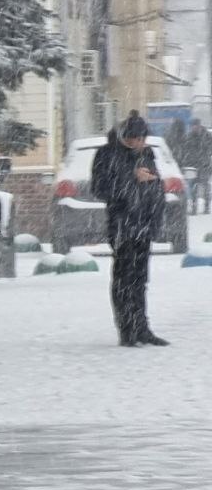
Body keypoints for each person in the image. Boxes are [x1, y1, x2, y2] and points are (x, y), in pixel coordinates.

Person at [90, 112, 169, 347]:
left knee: (140, 278)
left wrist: (155, 215)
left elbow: (156, 186)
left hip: (143, 224)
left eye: (142, 139)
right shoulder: (107, 154)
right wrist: (132, 179)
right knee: (124, 279)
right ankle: (126, 330)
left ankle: (142, 327)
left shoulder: (146, 153)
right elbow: (101, 188)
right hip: (122, 225)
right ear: (125, 137)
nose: (139, 144)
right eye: (135, 139)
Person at [184, 118, 212, 215]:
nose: (194, 128)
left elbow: (209, 148)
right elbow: (186, 150)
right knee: (193, 187)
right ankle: (194, 207)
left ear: (199, 125)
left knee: (205, 186)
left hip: (204, 165)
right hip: (193, 166)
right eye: (193, 126)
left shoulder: (207, 135)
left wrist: (205, 157)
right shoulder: (189, 136)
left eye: (196, 126)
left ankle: (207, 207)